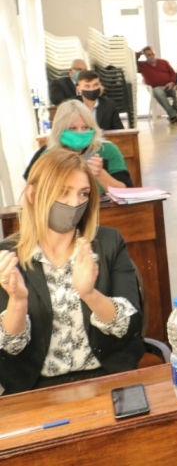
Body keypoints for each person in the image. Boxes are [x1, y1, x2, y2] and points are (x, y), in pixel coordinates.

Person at [0, 149, 144, 395]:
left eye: (83, 193)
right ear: (33, 194)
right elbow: (9, 346)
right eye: (63, 192)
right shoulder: (8, 256)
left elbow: (131, 326)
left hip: (107, 377)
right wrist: (18, 301)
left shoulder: (108, 243)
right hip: (36, 389)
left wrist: (90, 294)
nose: (75, 203)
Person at [24, 101, 133, 191]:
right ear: (60, 130)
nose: (80, 133)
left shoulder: (107, 150)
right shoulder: (47, 155)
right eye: (73, 128)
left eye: (85, 128)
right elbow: (32, 192)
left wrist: (100, 174)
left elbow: (127, 191)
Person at [138, 46, 177, 125]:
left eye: (152, 54)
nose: (151, 56)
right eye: (148, 55)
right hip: (155, 88)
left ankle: (175, 114)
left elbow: (173, 73)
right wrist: (140, 52)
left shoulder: (163, 62)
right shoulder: (142, 65)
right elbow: (132, 60)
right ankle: (173, 115)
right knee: (158, 93)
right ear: (145, 56)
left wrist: (171, 82)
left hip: (168, 86)